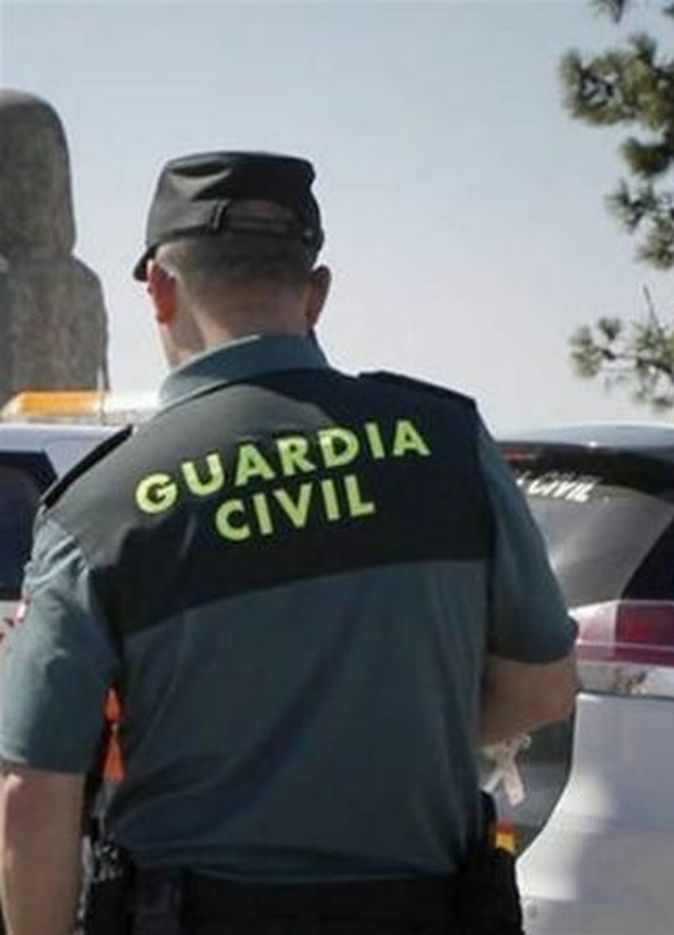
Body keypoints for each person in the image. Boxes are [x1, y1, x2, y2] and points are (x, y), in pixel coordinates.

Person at [0, 151, 577, 935]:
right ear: (316, 292)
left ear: (160, 289)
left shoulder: (100, 506)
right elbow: (543, 688)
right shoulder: (447, 444)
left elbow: (35, 784)